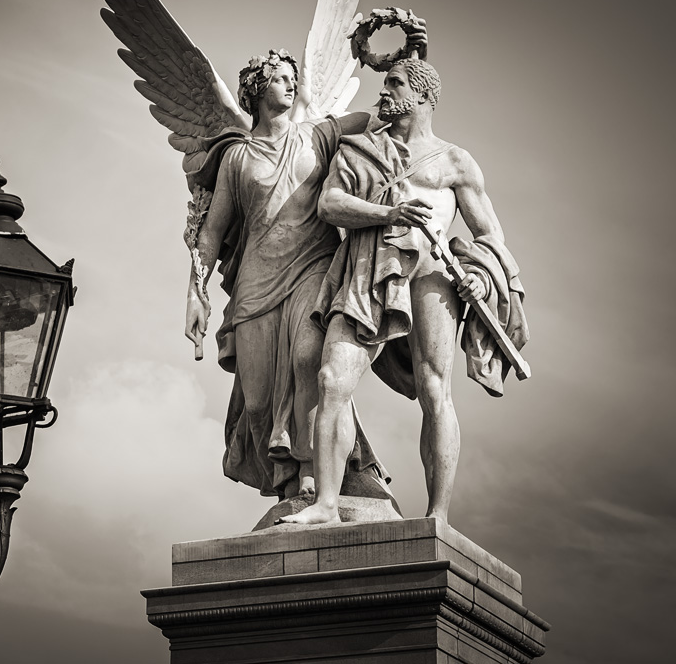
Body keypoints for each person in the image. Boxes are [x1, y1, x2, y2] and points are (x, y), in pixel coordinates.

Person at [280, 58, 528, 524]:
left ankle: (437, 515)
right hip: (367, 265)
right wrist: (386, 216)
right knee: (332, 379)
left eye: (394, 83)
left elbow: (491, 235)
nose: (385, 91)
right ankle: (326, 505)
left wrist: (480, 274)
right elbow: (331, 203)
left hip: (432, 275)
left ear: (423, 96)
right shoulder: (358, 149)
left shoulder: (455, 161)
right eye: (386, 82)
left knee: (436, 391)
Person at [184, 49, 397, 502]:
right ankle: (286, 483)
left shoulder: (318, 136)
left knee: (308, 362)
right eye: (280, 78)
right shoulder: (237, 158)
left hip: (315, 269)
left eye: (292, 78)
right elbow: (212, 232)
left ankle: (309, 474)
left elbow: (385, 116)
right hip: (256, 285)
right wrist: (195, 294)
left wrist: (408, 64)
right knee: (258, 403)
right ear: (258, 91)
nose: (290, 85)